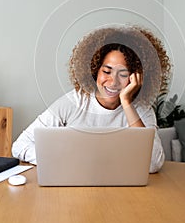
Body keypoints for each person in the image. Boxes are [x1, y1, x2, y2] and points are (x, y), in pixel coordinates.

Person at [12, 25, 171, 173]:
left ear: (137, 77)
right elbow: (20, 146)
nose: (113, 81)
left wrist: (127, 103)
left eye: (123, 74)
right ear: (95, 71)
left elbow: (153, 164)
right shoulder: (73, 102)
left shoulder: (141, 110)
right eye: (106, 71)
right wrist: (60, 161)